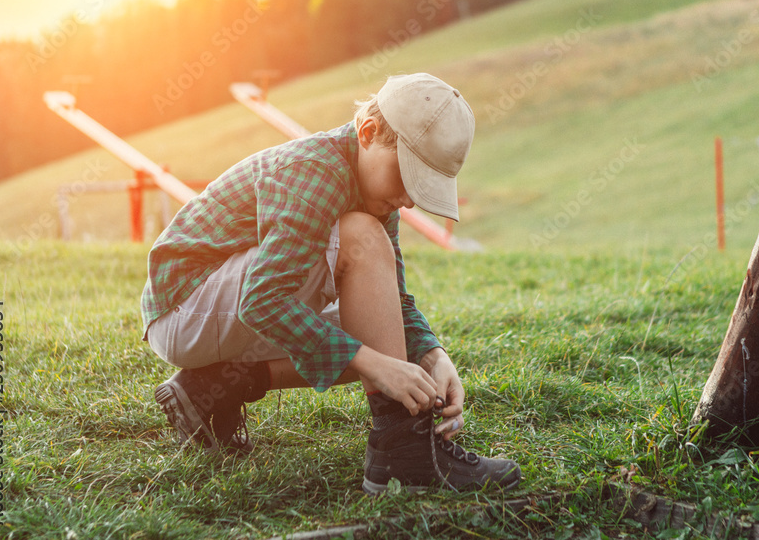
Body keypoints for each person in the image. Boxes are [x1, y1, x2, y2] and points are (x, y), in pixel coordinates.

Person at [140, 73, 520, 493]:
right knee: (362, 247)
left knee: (379, 331)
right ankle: (401, 452)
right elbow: (261, 302)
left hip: (219, 314)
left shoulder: (376, 190)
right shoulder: (316, 172)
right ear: (368, 132)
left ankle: (215, 386)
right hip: (183, 306)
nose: (410, 200)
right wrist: (376, 363)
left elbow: (392, 300)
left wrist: (432, 356)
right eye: (408, 176)